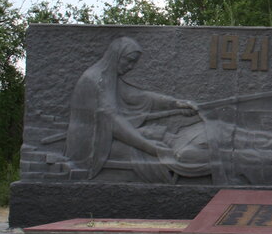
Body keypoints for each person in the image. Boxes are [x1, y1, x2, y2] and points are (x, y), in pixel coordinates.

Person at [65, 36, 209, 182]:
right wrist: (151, 147)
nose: (131, 66)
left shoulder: (110, 78)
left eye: (134, 62)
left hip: (108, 137)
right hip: (93, 146)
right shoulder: (95, 80)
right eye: (129, 61)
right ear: (116, 56)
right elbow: (113, 121)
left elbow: (139, 97)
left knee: (157, 139)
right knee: (150, 154)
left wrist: (176, 103)